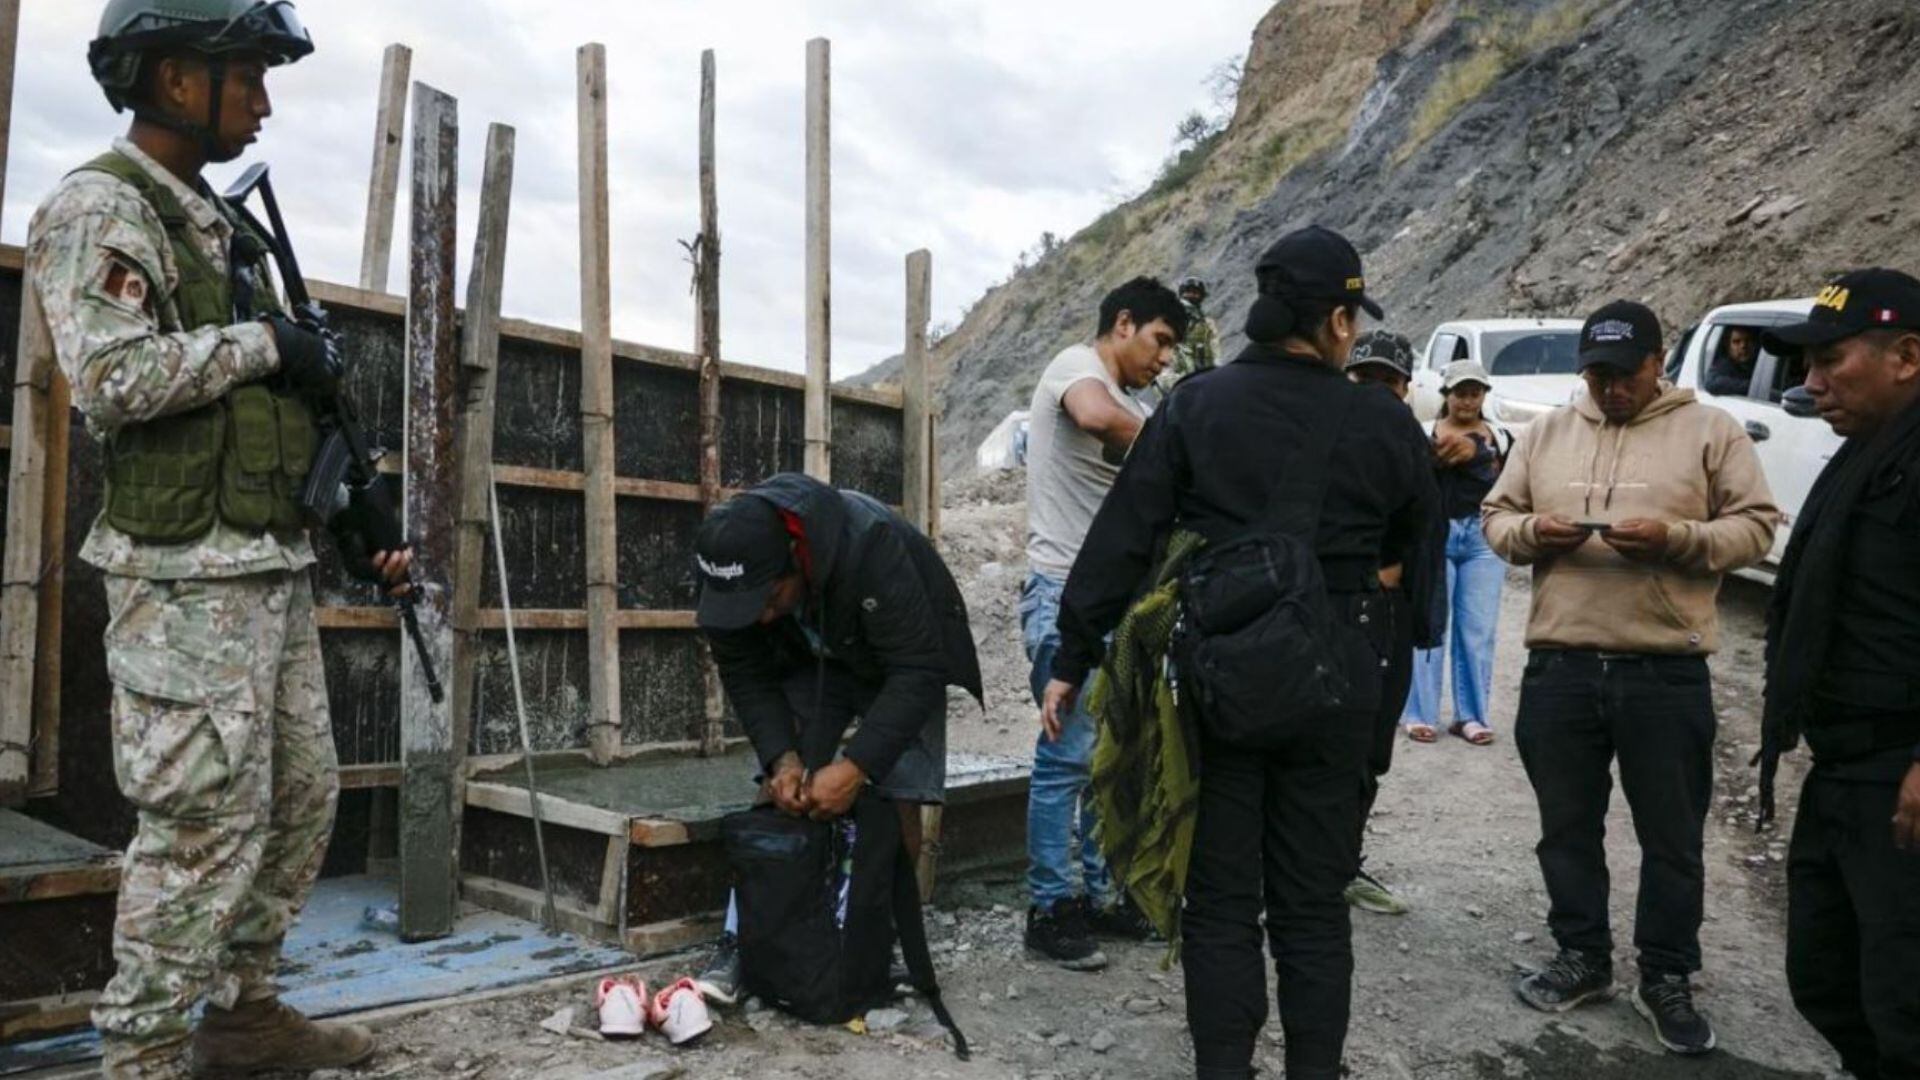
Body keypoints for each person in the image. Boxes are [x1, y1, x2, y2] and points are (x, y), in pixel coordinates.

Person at [26, 4, 418, 1076]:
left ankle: (242, 1016)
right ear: (170, 76)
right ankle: (143, 1056)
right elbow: (112, 379)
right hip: (183, 584)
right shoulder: (100, 209)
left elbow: (273, 409)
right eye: (244, 75)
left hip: (267, 563)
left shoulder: (223, 223)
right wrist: (261, 345)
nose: (263, 99)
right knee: (198, 829)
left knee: (299, 803)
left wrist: (353, 521)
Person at [1047, 226, 1437, 1080]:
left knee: (1221, 902)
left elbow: (1124, 538)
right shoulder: (1383, 419)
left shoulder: (1195, 404)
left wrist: (1073, 654)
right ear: (1338, 321)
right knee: (1311, 905)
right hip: (1338, 674)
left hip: (1221, 675)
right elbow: (1423, 567)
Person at [1484, 300, 1777, 1056]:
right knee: (1566, 830)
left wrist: (1677, 540)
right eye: (1596, 373)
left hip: (1664, 670)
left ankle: (1667, 975)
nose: (1609, 388)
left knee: (1672, 838)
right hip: (1561, 666)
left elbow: (1755, 526)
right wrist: (1530, 534)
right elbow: (1496, 515)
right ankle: (1583, 957)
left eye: (1624, 373)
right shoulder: (1549, 431)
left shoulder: (1711, 431)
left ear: (1658, 365)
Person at [690, 473, 982, 1003]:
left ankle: (875, 940)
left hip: (906, 655)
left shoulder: (870, 545)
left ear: (797, 554)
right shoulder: (728, 574)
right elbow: (746, 675)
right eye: (744, 605)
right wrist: (782, 758)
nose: (756, 615)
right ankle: (747, 939)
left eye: (768, 597)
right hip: (813, 652)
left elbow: (917, 669)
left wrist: (857, 767)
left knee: (900, 793)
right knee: (778, 792)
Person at [1756, 268, 1920, 1079]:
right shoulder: (1866, 447)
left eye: (1831, 361)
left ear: (1907, 355)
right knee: (1826, 974)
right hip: (1845, 767)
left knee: (1904, 997)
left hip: (1902, 776)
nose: (1810, 384)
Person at [1021, 277, 1186, 968]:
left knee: (1107, 760)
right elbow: (1093, 417)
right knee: (1065, 761)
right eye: (1159, 340)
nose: (1164, 358)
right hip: (1063, 593)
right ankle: (1049, 908)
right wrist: (1177, 445)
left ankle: (1097, 895)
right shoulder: (1077, 368)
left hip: (1112, 601)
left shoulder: (1138, 399)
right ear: (1124, 323)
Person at [1338, 328, 1443, 918]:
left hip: (1388, 616)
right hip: (1332, 612)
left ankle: (1343, 864)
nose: (1375, 391)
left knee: (1373, 746)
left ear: (1405, 388)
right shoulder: (1316, 440)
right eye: (1363, 378)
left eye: (1386, 381)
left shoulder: (1413, 445)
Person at [1403, 360, 1511, 746]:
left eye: (1474, 393)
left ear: (1483, 396)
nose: (1467, 401)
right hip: (1437, 535)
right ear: (1446, 395)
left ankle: (1471, 716)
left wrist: (1477, 454)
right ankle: (1419, 713)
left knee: (1478, 629)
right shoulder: (1425, 433)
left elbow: (1511, 482)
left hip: (1482, 538)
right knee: (1430, 625)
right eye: (1460, 393)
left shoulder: (1499, 437)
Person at [1156, 275, 1220, 389]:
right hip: (1176, 381)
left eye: (1196, 293)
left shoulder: (1207, 324)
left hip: (1201, 379)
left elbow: (1215, 354)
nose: (1192, 296)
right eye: (1189, 292)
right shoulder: (1166, 319)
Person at [1703, 325, 1761, 397]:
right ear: (1728, 346)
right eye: (1736, 342)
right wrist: (1753, 386)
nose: (1743, 346)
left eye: (1748, 340)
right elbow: (1711, 383)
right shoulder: (1723, 366)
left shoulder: (1763, 364)